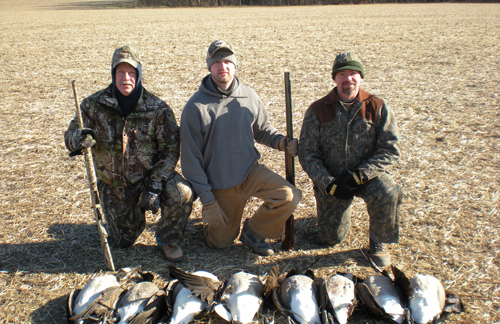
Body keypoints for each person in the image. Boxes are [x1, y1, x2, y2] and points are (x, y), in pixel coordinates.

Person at [64, 45, 193, 262]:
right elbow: (70, 137)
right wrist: (79, 139)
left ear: (139, 74)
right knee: (123, 241)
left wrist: (155, 184)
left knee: (182, 192)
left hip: (148, 178)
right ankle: (134, 219)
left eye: (131, 73)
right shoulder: (93, 105)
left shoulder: (157, 108)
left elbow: (170, 150)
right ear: (113, 74)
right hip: (114, 185)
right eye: (120, 72)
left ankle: (168, 239)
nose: (126, 78)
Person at [180, 40, 302, 256]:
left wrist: (281, 142)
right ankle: (213, 224)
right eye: (217, 62)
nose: (223, 66)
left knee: (289, 196)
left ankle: (253, 232)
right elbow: (190, 161)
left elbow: (263, 130)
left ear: (235, 65)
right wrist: (209, 203)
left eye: (227, 61)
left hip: (249, 172)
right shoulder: (195, 107)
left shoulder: (249, 96)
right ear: (209, 66)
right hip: (221, 183)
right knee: (220, 243)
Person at [298, 51, 402, 268]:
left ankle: (378, 240)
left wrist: (360, 176)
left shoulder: (377, 106)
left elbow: (390, 150)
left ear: (361, 77)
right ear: (334, 78)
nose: (348, 79)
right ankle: (337, 212)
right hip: (334, 181)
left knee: (388, 191)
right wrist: (328, 183)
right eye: (342, 74)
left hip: (368, 177)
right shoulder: (317, 110)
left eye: (353, 73)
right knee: (330, 239)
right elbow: (308, 154)